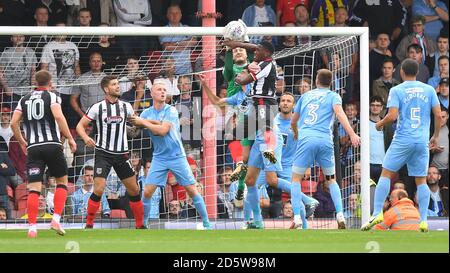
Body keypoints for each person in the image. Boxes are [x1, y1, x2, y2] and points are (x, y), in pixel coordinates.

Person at [361, 58, 441, 233]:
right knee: (421, 181)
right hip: (421, 141)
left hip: (403, 139)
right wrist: (435, 136)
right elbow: (438, 115)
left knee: (386, 174)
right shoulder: (428, 89)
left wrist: (379, 124)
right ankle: (423, 220)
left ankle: (377, 213)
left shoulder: (397, 90)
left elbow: (392, 116)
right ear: (418, 72)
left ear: (402, 72)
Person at [129, 82, 212, 229]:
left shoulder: (171, 110)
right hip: (159, 157)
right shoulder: (146, 113)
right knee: (147, 192)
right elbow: (136, 128)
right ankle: (144, 224)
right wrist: (134, 121)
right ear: (152, 93)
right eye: (159, 89)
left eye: (164, 90)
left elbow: (162, 130)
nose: (162, 92)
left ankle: (207, 223)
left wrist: (143, 122)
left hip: (177, 156)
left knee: (192, 189)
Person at [291, 68, 361, 229]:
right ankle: (340, 214)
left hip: (306, 139)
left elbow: (294, 121)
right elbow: (340, 114)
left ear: (316, 80)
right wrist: (352, 134)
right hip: (325, 141)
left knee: (295, 179)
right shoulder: (333, 96)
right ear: (330, 83)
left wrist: (296, 133)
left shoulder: (306, 96)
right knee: (331, 180)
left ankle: (297, 218)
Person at [10, 70, 77, 238]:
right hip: (52, 145)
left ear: (35, 82)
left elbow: (13, 123)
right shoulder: (52, 97)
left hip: (33, 148)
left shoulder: (23, 99)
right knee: (62, 182)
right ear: (50, 82)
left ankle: (32, 227)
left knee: (34, 188)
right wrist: (69, 138)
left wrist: (22, 142)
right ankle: (55, 219)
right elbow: (59, 117)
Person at [76, 75, 145, 229]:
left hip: (122, 154)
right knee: (99, 189)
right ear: (106, 89)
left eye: (118, 84)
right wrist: (86, 137)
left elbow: (136, 122)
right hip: (103, 154)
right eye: (114, 84)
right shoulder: (97, 107)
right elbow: (80, 126)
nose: (118, 86)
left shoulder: (126, 106)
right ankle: (89, 224)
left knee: (134, 190)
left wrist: (145, 123)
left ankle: (140, 225)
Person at [70, 52, 107, 118]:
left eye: (98, 61)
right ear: (89, 63)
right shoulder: (81, 79)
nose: (96, 63)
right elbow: (73, 100)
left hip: (105, 115)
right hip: (87, 115)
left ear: (102, 63)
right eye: (93, 61)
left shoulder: (107, 79)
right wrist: (83, 116)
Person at [369, 96, 394, 182]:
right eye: (372, 105)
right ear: (369, 106)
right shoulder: (363, 123)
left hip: (383, 164)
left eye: (378, 105)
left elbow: (391, 144)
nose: (375, 107)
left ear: (381, 108)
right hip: (367, 163)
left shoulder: (387, 125)